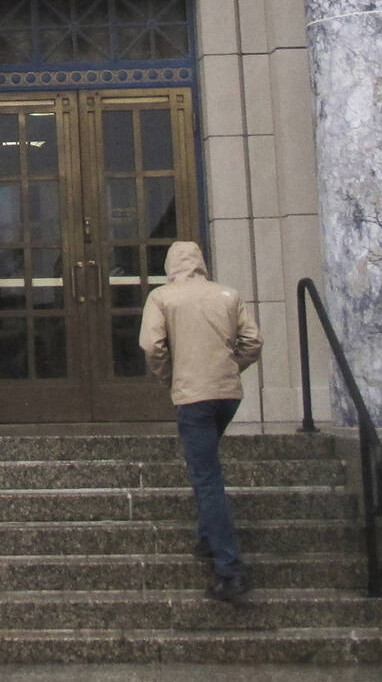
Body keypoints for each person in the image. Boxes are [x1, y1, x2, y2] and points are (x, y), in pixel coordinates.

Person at [139, 239, 262, 603]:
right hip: (227, 395)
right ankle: (208, 537)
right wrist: (229, 367)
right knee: (203, 463)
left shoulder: (163, 298)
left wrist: (169, 377)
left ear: (171, 264)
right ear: (201, 262)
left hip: (193, 396)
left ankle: (230, 569)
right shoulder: (227, 294)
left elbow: (151, 346)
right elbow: (252, 342)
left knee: (207, 477)